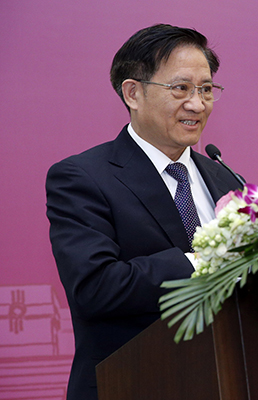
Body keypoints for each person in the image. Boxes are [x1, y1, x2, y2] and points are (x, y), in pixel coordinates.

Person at [45, 24, 242, 400]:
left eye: (206, 89)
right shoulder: (83, 177)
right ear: (133, 93)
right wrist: (202, 262)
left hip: (228, 381)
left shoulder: (225, 178)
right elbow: (96, 288)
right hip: (130, 384)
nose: (197, 104)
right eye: (181, 88)